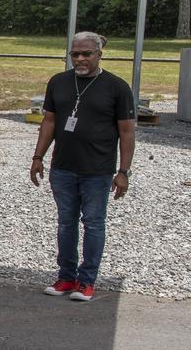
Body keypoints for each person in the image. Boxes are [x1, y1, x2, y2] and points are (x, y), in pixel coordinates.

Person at [31, 31, 136, 302]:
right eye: (75, 54)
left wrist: (123, 171)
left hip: (97, 171)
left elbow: (126, 132)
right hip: (63, 168)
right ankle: (66, 277)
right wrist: (38, 157)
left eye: (86, 54)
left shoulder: (117, 87)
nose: (80, 59)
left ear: (99, 54)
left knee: (93, 224)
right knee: (66, 224)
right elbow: (49, 122)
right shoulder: (58, 82)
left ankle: (86, 281)